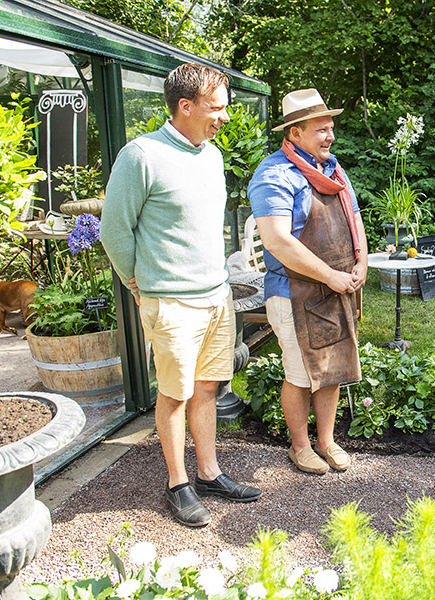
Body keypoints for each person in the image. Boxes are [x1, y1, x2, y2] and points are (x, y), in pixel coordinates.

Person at [101, 63, 262, 528]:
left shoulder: (210, 155)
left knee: (210, 386)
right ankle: (178, 483)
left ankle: (209, 473)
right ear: (184, 106)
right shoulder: (141, 156)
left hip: (216, 295)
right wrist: (138, 281)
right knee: (175, 393)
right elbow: (114, 231)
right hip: (171, 301)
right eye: (217, 108)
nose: (225, 117)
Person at [247, 89, 367, 475]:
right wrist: (331, 275)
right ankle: (300, 446)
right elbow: (278, 240)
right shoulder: (273, 175)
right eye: (320, 129)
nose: (329, 136)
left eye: (330, 127)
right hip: (294, 294)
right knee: (300, 375)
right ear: (294, 134)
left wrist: (361, 260)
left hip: (334, 289)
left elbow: (354, 218)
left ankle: (328, 441)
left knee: (332, 369)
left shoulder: (333, 168)